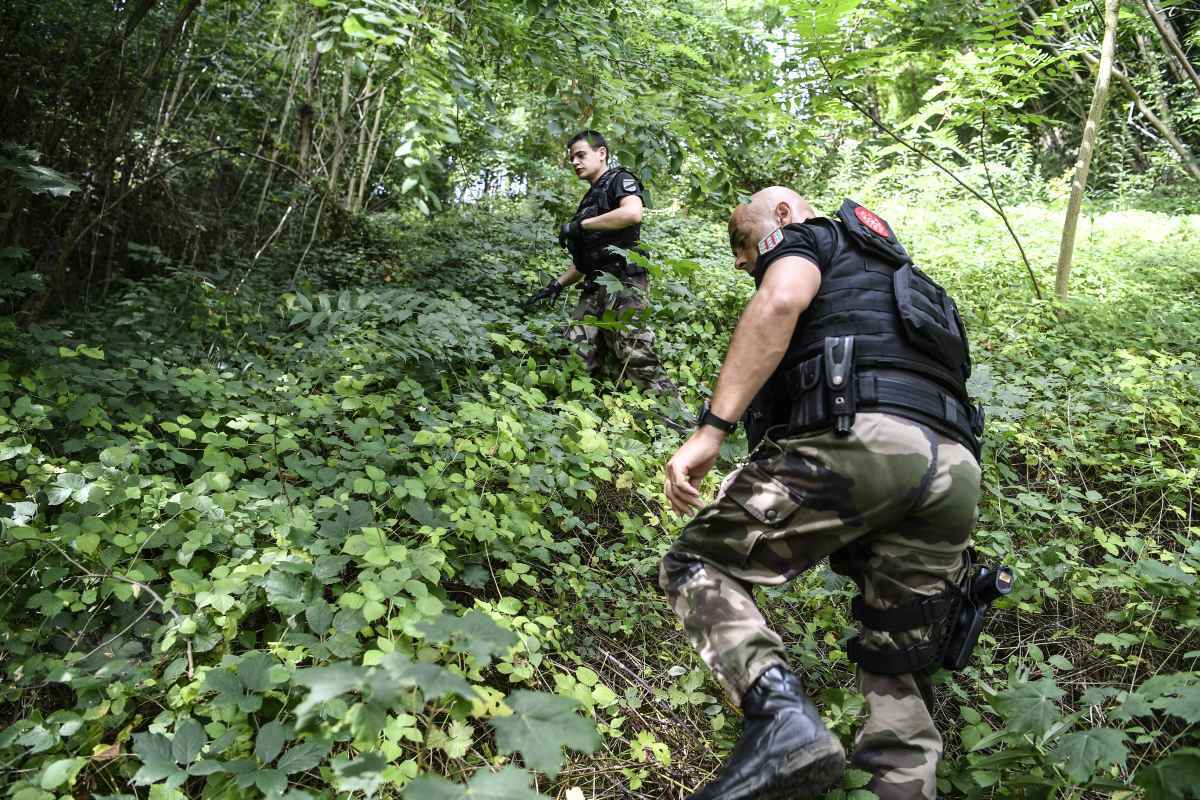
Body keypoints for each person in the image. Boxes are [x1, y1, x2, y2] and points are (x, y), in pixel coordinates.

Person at [658, 187, 986, 800]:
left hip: (866, 441)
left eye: (742, 240)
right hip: (956, 473)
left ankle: (781, 719)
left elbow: (779, 301)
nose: (739, 261)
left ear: (781, 216)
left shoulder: (807, 237)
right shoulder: (917, 288)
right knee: (898, 668)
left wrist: (711, 431)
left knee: (696, 562)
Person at [525, 130, 676, 394]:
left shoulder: (620, 179)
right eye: (572, 158)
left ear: (602, 153)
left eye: (581, 155)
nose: (575, 162)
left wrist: (580, 226)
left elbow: (632, 213)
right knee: (575, 355)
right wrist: (557, 285)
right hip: (594, 287)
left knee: (636, 355)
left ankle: (679, 423)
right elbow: (585, 262)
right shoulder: (588, 201)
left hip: (623, 282)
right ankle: (580, 414)